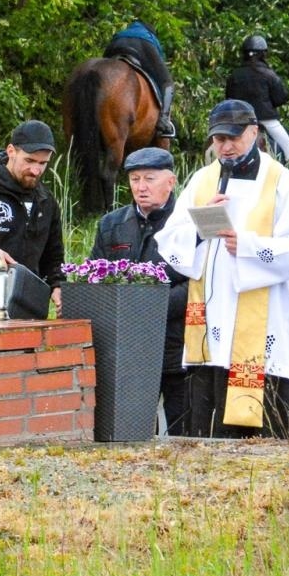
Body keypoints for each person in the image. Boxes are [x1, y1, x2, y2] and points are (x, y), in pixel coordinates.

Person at [154, 99, 289, 438]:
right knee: (211, 420)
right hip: (214, 315)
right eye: (219, 140)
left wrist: (249, 247)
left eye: (234, 138)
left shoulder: (284, 184)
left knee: (269, 428)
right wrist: (201, 228)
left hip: (266, 319)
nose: (226, 148)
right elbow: (169, 240)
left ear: (255, 133)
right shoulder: (203, 180)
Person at [90, 147, 188, 434]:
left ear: (170, 182)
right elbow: (95, 276)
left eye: (149, 179)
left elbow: (199, 282)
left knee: (186, 433)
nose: (141, 187)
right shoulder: (111, 225)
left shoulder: (188, 224)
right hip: (127, 346)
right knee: (132, 433)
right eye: (134, 179)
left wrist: (150, 307)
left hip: (176, 345)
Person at [0, 119, 66, 308]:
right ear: (11, 152)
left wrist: (57, 286)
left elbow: (53, 257)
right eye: (30, 160)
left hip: (28, 304)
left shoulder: (47, 201)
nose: (35, 170)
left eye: (43, 163)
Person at [225, 34, 289, 162]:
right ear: (263, 54)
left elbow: (229, 98)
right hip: (266, 119)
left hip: (239, 118)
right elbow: (282, 97)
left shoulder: (234, 75)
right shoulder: (268, 74)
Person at [104, 19, 176, 138]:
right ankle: (163, 121)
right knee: (167, 83)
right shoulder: (150, 37)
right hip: (143, 45)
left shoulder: (123, 32)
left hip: (115, 44)